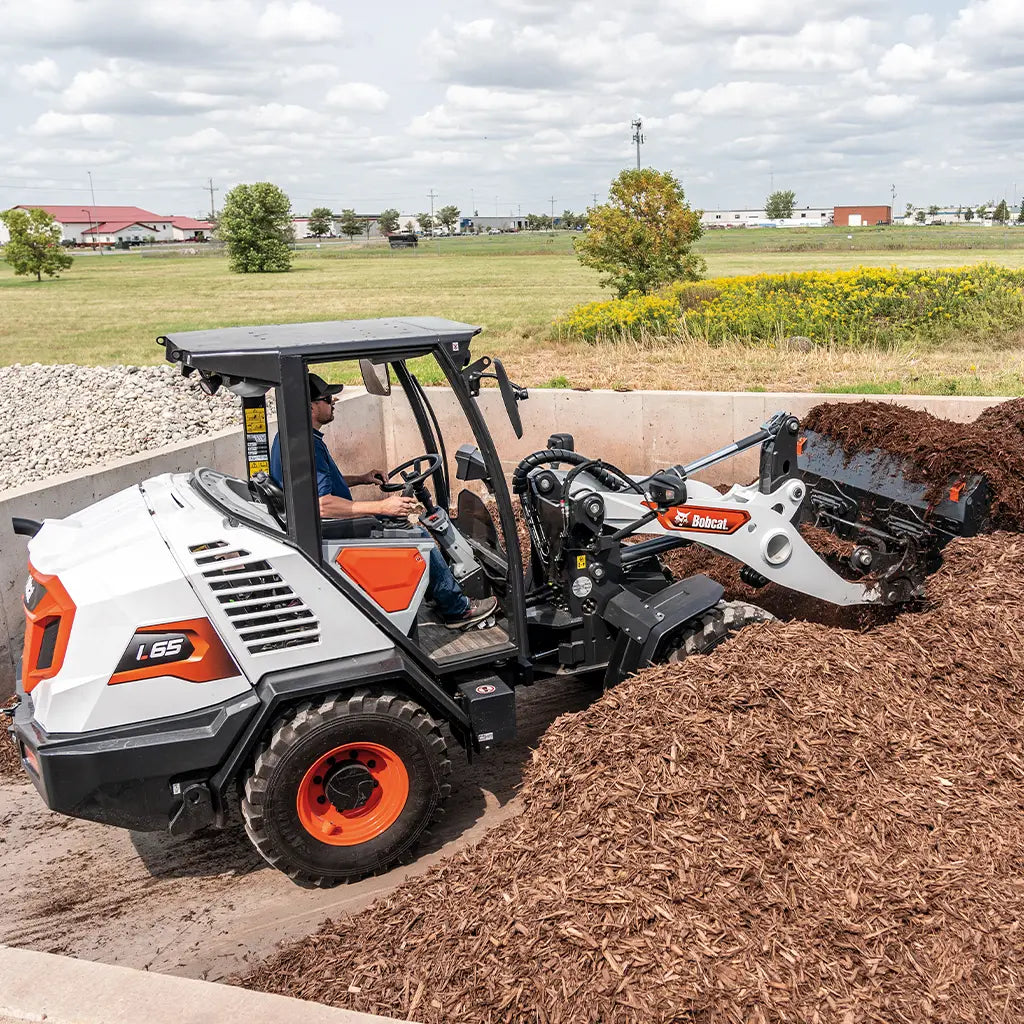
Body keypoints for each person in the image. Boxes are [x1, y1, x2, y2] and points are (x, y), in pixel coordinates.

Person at [270, 373, 497, 629]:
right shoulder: (308, 445)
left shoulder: (291, 439)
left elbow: (311, 486)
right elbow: (322, 504)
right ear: (311, 406)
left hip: (324, 528)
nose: (334, 401)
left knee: (398, 524)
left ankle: (435, 592)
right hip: (334, 533)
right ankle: (458, 610)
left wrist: (362, 478)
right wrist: (381, 506)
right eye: (327, 398)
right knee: (417, 539)